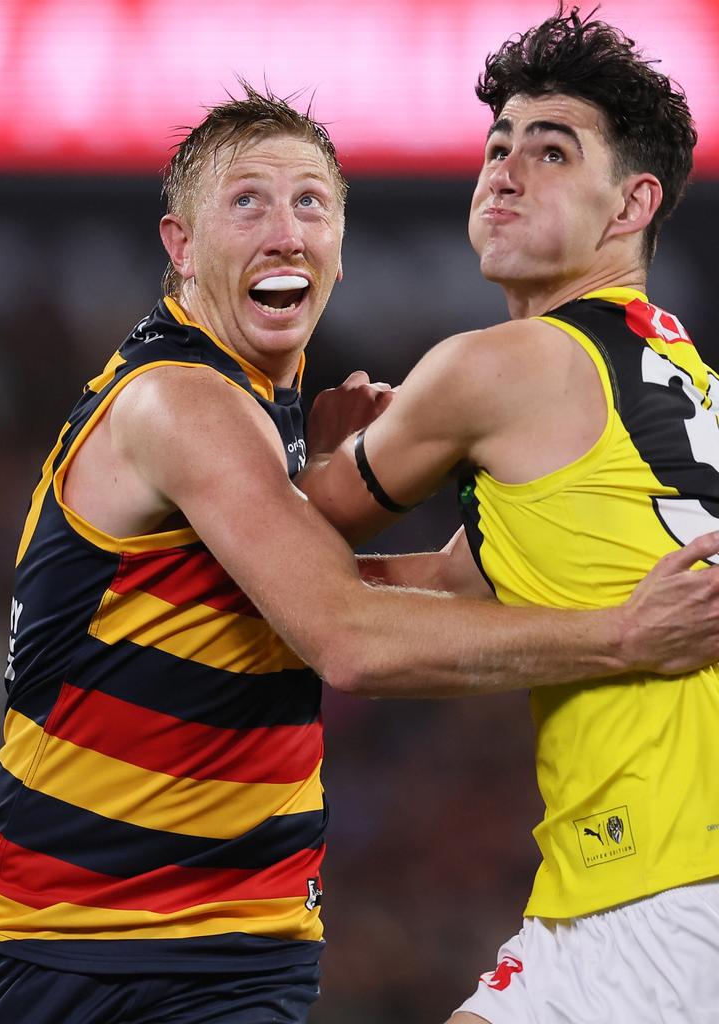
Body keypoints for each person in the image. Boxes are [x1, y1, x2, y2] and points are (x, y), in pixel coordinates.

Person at [0, 82, 719, 1024]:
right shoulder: (177, 399)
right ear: (180, 247)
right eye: (248, 201)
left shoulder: (268, 423)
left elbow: (411, 589)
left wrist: (318, 481)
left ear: (341, 250)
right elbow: (344, 632)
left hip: (247, 944)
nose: (286, 232)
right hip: (82, 945)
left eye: (311, 202)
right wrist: (622, 636)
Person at [298, 8, 719, 1023]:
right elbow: (453, 584)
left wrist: (312, 456)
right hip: (640, 880)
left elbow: (293, 537)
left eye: (551, 150)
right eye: (497, 147)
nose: (506, 170)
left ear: (634, 203)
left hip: (664, 875)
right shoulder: (681, 378)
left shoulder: (505, 364)